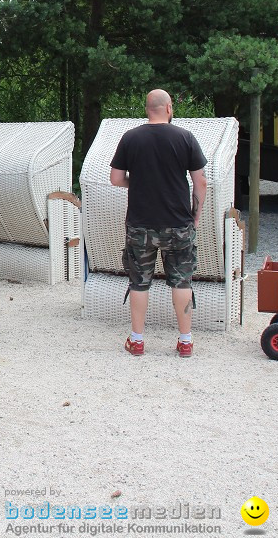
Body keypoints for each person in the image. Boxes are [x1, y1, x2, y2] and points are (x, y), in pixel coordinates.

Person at [109, 89, 207, 358]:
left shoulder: (131, 138)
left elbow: (116, 179)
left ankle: (137, 340)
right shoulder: (185, 137)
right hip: (178, 224)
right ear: (169, 108)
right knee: (182, 282)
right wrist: (195, 217)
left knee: (139, 282)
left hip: (141, 225)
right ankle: (185, 341)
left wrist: (137, 182)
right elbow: (201, 182)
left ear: (147, 108)